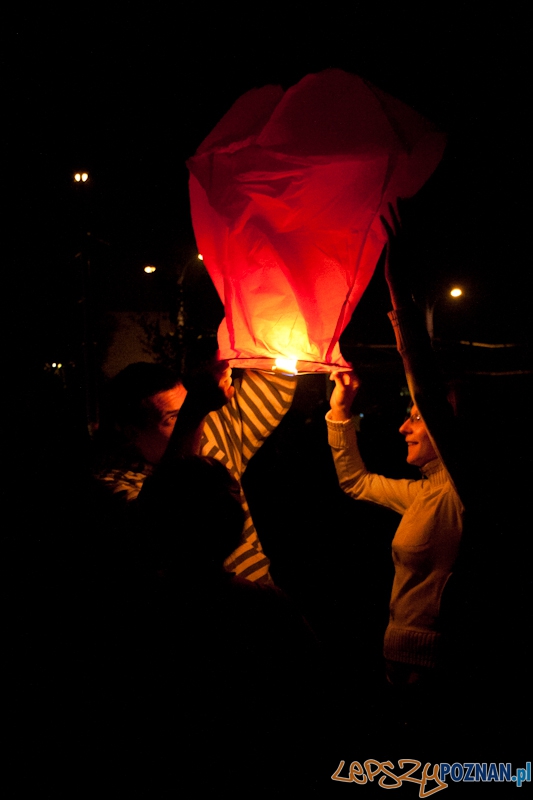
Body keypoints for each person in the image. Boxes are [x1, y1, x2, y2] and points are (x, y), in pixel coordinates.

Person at [326, 205, 465, 689]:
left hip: (436, 673)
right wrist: (339, 413)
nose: (404, 428)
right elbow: (355, 482)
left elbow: (426, 391)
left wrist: (399, 296)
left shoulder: (465, 491)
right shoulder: (424, 494)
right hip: (397, 662)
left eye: (416, 419)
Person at [93, 359, 296, 584]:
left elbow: (277, 375)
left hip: (262, 600)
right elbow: (163, 520)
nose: (194, 421)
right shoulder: (111, 486)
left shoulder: (211, 431)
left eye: (187, 407)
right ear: (132, 432)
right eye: (173, 418)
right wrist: (195, 409)